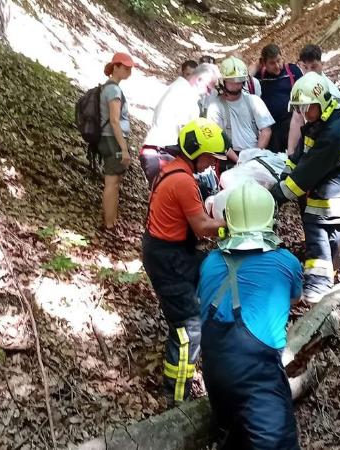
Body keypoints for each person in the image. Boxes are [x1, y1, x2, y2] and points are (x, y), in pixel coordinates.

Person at [198, 182, 302, 449]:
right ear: (269, 220)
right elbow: (295, 299)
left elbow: (202, 299)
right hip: (257, 375)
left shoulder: (209, 262)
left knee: (236, 435)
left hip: (214, 371)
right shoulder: (286, 262)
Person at [142, 118, 228, 407]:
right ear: (195, 151)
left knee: (213, 273)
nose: (210, 164)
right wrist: (229, 226)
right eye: (209, 157)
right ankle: (177, 395)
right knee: (188, 327)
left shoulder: (174, 170)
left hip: (174, 252)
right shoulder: (181, 180)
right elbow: (203, 227)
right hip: (169, 259)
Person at [270, 72, 340, 303]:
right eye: (300, 108)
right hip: (334, 190)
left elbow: (305, 175)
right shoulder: (317, 126)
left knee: (318, 228)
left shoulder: (334, 132)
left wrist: (274, 196)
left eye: (307, 107)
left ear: (322, 103)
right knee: (323, 233)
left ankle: (319, 286)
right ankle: (325, 279)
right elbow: (297, 159)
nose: (304, 113)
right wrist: (284, 177)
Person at [141, 63, 220, 184]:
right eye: (208, 88)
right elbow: (187, 136)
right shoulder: (186, 96)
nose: (209, 93)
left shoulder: (178, 88)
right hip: (161, 153)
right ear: (199, 80)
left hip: (157, 151)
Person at [207, 57, 275, 161]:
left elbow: (266, 130)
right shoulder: (215, 107)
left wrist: (256, 154)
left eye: (239, 81)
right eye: (232, 81)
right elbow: (218, 138)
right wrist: (238, 161)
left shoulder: (254, 101)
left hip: (254, 152)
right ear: (223, 81)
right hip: (230, 156)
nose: (236, 85)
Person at [100, 52, 134, 229]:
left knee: (113, 181)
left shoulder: (109, 87)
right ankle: (109, 224)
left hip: (109, 139)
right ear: (116, 67)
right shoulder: (113, 90)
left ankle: (110, 220)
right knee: (112, 182)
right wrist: (124, 148)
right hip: (113, 140)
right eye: (126, 68)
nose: (129, 71)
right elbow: (114, 121)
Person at [255, 43, 304, 154]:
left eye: (279, 61)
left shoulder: (293, 71)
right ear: (264, 63)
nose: (277, 66)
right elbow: (245, 82)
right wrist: (256, 67)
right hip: (270, 128)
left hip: (292, 123)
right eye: (272, 63)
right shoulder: (259, 77)